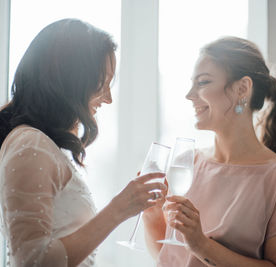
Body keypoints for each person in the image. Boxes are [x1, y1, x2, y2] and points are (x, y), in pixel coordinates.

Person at [0, 19, 166, 267]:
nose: (108, 98)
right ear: (72, 80)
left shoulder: (41, 144)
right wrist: (118, 210)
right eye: (103, 81)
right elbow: (32, 261)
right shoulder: (30, 145)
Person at [143, 37, 276, 267]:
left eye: (203, 82)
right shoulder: (187, 163)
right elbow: (170, 258)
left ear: (242, 89)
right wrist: (151, 217)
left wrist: (202, 245)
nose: (190, 95)